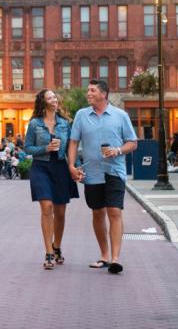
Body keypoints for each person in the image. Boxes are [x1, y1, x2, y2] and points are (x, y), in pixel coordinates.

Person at [68, 80, 138, 275]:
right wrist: (72, 167)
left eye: (92, 90)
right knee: (97, 213)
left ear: (104, 94)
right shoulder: (81, 115)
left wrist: (117, 150)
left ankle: (116, 258)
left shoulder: (120, 115)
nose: (88, 93)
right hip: (91, 174)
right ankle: (104, 255)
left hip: (114, 171)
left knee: (114, 211)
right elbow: (73, 142)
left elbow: (132, 143)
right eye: (88, 90)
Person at [24, 88, 78, 270]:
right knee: (46, 207)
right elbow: (27, 148)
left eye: (55, 96)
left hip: (61, 167)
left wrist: (74, 166)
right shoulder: (34, 124)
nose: (54, 99)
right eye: (50, 97)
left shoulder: (64, 124)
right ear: (43, 102)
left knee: (60, 212)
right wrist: (45, 148)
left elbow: (72, 147)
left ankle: (57, 246)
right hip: (41, 167)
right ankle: (48, 252)